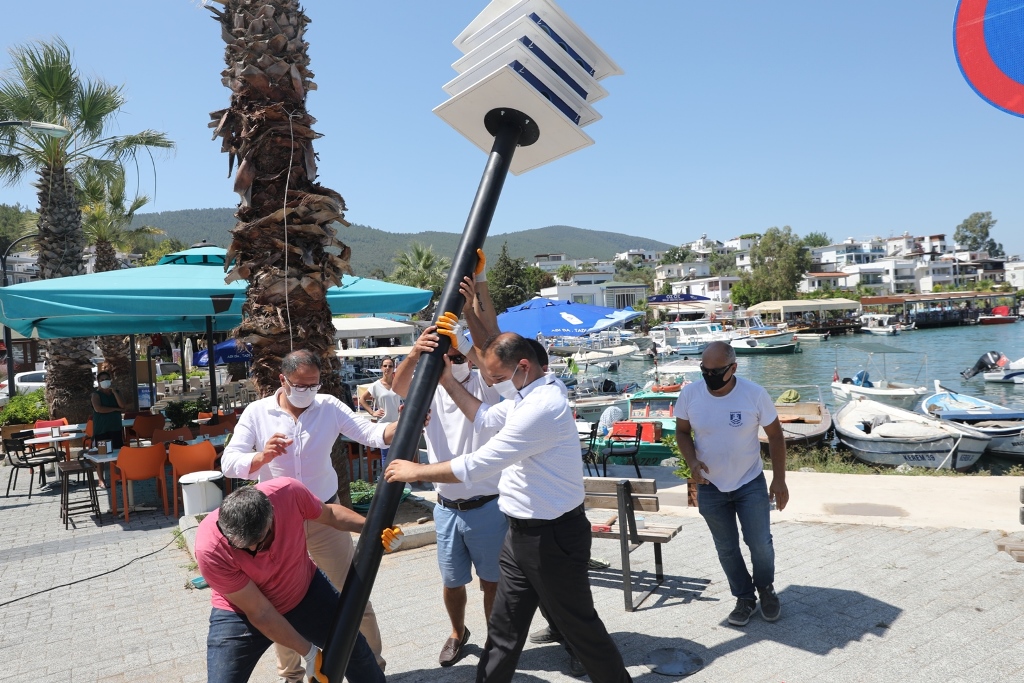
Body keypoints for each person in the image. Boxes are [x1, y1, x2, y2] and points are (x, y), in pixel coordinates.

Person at [385, 332, 632, 683]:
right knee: (503, 632)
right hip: (519, 535)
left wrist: (417, 471)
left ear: (524, 366)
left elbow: (478, 464)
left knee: (579, 627)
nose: (493, 383)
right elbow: (484, 418)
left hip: (553, 538)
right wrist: (445, 381)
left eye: (498, 378)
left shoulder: (541, 408)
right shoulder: (527, 394)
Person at [221, 349, 398, 682]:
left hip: (324, 514)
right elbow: (229, 462)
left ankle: (373, 668)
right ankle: (292, 676)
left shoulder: (328, 407)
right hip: (276, 525)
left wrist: (399, 426)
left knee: (353, 592)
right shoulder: (258, 412)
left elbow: (368, 432)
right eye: (300, 384)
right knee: (282, 603)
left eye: (314, 384)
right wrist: (261, 457)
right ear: (282, 380)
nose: (308, 390)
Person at [391, 254, 507, 668]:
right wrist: (417, 352)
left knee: (492, 581)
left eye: (458, 357)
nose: (453, 363)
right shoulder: (433, 386)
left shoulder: (487, 385)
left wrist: (478, 289)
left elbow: (489, 343)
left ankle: (496, 640)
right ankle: (458, 632)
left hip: (487, 504)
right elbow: (400, 385)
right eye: (447, 358)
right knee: (451, 581)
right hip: (445, 507)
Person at [195, 477, 400, 683]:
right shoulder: (209, 548)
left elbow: (330, 515)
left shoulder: (289, 494)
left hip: (304, 591)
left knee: (353, 650)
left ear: (271, 517)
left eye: (258, 543)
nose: (252, 552)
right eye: (240, 547)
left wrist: (374, 529)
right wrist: (310, 653)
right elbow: (261, 612)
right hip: (241, 613)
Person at [673, 340, 789, 627]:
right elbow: (682, 433)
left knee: (760, 543)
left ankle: (766, 589)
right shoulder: (690, 395)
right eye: (704, 370)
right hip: (710, 486)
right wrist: (692, 463)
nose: (709, 375)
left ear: (733, 368)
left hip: (750, 482)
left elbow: (776, 436)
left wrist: (780, 480)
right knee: (726, 547)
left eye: (716, 370)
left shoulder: (754, 394)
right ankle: (744, 598)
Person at [358, 355, 400, 475]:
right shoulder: (376, 385)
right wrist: (372, 412)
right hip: (383, 426)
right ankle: (386, 483)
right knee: (386, 457)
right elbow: (362, 399)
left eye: (390, 366)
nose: (387, 368)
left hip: (397, 424)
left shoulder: (397, 384)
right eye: (385, 366)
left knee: (398, 456)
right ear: (381, 368)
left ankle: (398, 482)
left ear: (393, 368)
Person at [91, 369, 126, 449]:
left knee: (117, 452)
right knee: (102, 453)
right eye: (102, 380)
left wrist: (114, 393)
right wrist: (115, 409)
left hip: (115, 428)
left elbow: (123, 406)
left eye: (107, 379)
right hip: (101, 429)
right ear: (99, 382)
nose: (105, 381)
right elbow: (99, 409)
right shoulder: (96, 394)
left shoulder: (117, 392)